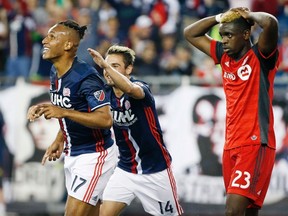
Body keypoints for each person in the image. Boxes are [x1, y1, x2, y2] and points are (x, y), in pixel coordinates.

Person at [184, 7, 279, 216]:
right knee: (247, 212)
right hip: (231, 145)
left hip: (255, 143)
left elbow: (271, 23)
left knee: (232, 211)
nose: (224, 40)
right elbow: (190, 33)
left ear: (245, 35)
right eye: (222, 35)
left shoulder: (261, 56)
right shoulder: (223, 56)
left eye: (229, 35)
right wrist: (220, 17)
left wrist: (249, 16)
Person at [26, 20, 117, 216]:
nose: (44, 40)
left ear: (68, 45)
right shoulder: (55, 71)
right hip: (73, 153)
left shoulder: (86, 78)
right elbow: (72, 107)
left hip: (94, 155)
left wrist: (64, 112)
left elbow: (105, 120)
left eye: (52, 37)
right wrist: (60, 138)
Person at [88, 45, 184, 216]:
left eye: (115, 66)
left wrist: (105, 65)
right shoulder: (104, 95)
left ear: (129, 69)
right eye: (106, 66)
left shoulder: (141, 88)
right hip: (126, 169)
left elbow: (131, 89)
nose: (107, 71)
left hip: (155, 170)